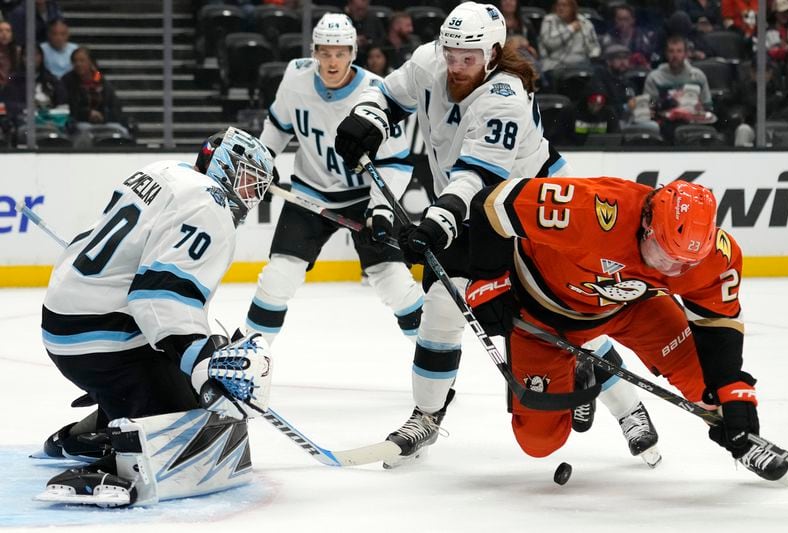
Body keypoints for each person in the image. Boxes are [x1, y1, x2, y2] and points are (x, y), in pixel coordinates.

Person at [335, 2, 655, 468]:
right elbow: (389, 95)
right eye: (451, 53)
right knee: (443, 304)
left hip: (537, 209)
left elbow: (476, 175)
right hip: (475, 206)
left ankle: (630, 409)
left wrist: (436, 222)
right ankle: (425, 416)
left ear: (493, 52)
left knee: (563, 312)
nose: (456, 65)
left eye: (468, 57)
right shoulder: (430, 59)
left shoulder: (506, 94)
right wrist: (367, 117)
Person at [467, 177, 788, 484]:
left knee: (710, 386)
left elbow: (718, 327)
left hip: (630, 306)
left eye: (683, 264)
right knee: (539, 442)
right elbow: (491, 204)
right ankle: (582, 368)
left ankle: (744, 442)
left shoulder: (712, 256)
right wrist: (488, 281)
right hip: (543, 315)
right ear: (647, 224)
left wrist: (733, 394)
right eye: (664, 256)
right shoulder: (588, 209)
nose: (671, 270)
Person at [35, 127, 276, 507]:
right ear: (223, 163)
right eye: (248, 180)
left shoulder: (166, 170)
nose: (250, 196)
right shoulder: (210, 206)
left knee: (181, 370)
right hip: (101, 337)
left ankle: (93, 429)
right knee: (197, 422)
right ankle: (114, 465)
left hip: (68, 319)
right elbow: (158, 297)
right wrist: (203, 361)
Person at [244, 14, 422, 346]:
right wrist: (263, 161)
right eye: (325, 53)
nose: (332, 61)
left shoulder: (377, 94)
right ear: (314, 52)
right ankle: (248, 355)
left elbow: (396, 163)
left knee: (394, 281)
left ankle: (432, 357)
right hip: (310, 194)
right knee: (278, 277)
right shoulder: (295, 79)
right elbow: (278, 127)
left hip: (363, 199)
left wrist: (381, 210)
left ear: (353, 53)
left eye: (340, 53)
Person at [643, 35, 715, 142]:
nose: (675, 55)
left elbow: (708, 106)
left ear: (685, 54)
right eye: (671, 51)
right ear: (666, 54)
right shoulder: (655, 77)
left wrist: (701, 108)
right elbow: (649, 108)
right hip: (665, 124)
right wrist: (662, 105)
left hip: (694, 122)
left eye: (679, 51)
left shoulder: (698, 76)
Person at [61, 46, 130, 147]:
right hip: (80, 122)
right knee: (84, 132)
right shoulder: (67, 80)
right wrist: (88, 114)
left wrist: (103, 116)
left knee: (121, 131)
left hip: (104, 122)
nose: (78, 64)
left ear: (91, 62)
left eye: (82, 60)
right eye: (75, 61)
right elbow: (69, 107)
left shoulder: (99, 78)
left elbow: (114, 105)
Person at [537, 0, 601, 73]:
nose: (560, 8)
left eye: (564, 5)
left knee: (599, 70)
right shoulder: (549, 21)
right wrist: (570, 30)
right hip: (556, 65)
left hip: (582, 64)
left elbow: (595, 46)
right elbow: (549, 44)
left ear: (573, 7)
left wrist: (592, 56)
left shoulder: (584, 22)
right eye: (558, 5)